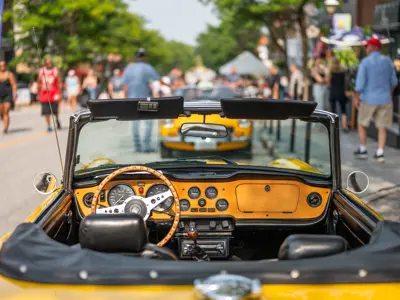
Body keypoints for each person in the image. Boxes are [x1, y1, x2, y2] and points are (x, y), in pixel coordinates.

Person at [354, 38, 398, 162]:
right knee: (382, 127)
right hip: (385, 99)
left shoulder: (365, 62)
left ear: (373, 47)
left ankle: (362, 149)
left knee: (362, 124)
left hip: (368, 98)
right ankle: (380, 152)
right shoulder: (388, 61)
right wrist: (388, 94)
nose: (366, 49)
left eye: (367, 47)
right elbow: (394, 82)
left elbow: (360, 84)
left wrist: (356, 98)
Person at [121, 48, 160, 153]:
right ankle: (146, 146)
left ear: (136, 57)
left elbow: (124, 85)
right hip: (146, 99)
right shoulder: (148, 68)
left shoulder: (129, 68)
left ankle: (137, 146)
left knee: (135, 122)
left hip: (132, 99)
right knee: (148, 121)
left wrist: (125, 98)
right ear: (144, 57)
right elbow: (155, 81)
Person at [37, 57, 62, 132]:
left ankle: (57, 119)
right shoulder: (42, 71)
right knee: (46, 111)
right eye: (47, 63)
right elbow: (38, 82)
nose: (49, 64)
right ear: (45, 63)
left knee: (55, 110)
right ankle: (48, 125)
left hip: (54, 93)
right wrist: (38, 93)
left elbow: (59, 82)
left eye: (50, 62)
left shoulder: (55, 70)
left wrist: (59, 93)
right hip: (44, 94)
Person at [327, 58, 349, 133]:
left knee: (333, 110)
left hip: (333, 93)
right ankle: (345, 126)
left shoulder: (330, 73)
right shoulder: (343, 73)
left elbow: (328, 84)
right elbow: (345, 84)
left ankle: (334, 127)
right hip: (341, 93)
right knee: (343, 110)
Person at [0, 61, 17, 134]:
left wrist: (15, 94)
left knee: (6, 110)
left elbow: (14, 85)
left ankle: (5, 128)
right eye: (1, 66)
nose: (2, 67)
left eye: (3, 65)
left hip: (7, 95)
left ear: (6, 66)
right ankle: (5, 120)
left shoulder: (9, 74)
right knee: (1, 112)